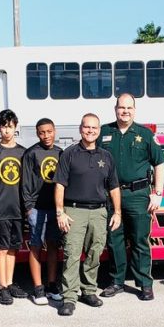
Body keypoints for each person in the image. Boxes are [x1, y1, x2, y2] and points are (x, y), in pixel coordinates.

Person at [99, 93, 164, 301]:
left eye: (129, 108)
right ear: (115, 109)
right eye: (121, 107)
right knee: (114, 240)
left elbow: (159, 164)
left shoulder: (145, 134)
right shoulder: (104, 132)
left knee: (139, 241)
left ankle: (145, 283)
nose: (125, 111)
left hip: (138, 195)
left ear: (134, 110)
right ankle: (117, 281)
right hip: (112, 195)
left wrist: (158, 193)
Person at [54, 114, 122, 316]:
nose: (90, 131)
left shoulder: (106, 156)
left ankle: (89, 291)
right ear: (80, 129)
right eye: (87, 127)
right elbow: (59, 185)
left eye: (94, 128)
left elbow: (114, 187)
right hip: (74, 211)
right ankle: (69, 297)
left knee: (95, 253)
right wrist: (60, 212)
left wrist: (117, 212)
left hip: (99, 212)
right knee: (72, 255)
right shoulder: (69, 154)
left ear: (99, 130)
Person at [0, 109, 27, 305]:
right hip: (1, 208)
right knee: (1, 249)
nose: (7, 131)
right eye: (3, 127)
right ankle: (2, 287)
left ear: (15, 127)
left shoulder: (23, 153)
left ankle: (9, 283)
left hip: (18, 209)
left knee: (12, 248)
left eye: (10, 126)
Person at [22, 118, 63, 305]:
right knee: (36, 246)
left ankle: (52, 284)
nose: (46, 135)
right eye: (42, 132)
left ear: (54, 131)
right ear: (38, 133)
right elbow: (25, 183)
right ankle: (38, 288)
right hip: (37, 208)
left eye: (49, 131)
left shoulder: (61, 153)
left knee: (53, 246)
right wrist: (29, 208)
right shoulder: (31, 153)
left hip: (55, 208)